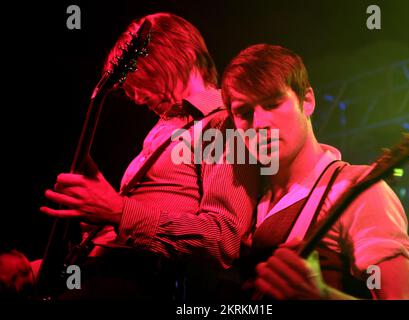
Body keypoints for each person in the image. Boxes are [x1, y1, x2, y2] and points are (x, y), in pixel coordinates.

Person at [39, 13, 258, 300]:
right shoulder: (163, 128)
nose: (135, 96)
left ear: (180, 56)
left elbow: (223, 240)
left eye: (139, 75)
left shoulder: (222, 124)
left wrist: (118, 211)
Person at [221, 44, 409, 299]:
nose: (259, 124)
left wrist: (320, 296)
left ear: (308, 101)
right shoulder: (248, 200)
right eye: (244, 113)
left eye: (272, 104)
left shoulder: (360, 189)